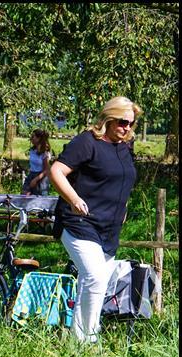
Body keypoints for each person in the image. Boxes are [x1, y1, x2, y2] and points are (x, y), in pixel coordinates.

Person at [49, 96, 142, 343]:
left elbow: (119, 180)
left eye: (131, 124)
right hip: (79, 223)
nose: (127, 128)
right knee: (95, 278)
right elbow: (56, 171)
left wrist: (123, 209)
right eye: (122, 122)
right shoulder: (87, 142)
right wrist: (73, 199)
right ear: (108, 119)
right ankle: (89, 340)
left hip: (108, 229)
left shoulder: (125, 147)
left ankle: (76, 344)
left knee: (90, 285)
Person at [22, 129, 51, 196]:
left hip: (41, 178)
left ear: (39, 138)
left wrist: (36, 179)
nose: (31, 138)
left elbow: (46, 170)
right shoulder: (32, 150)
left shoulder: (45, 153)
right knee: (24, 196)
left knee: (39, 201)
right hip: (31, 174)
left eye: (33, 136)